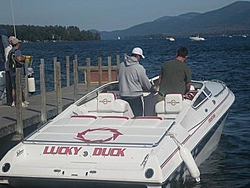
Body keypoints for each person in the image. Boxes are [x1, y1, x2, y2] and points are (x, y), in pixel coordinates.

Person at [117, 47, 156, 117]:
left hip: (123, 95)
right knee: (138, 118)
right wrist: (152, 89)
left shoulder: (121, 65)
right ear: (138, 56)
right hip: (135, 97)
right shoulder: (139, 67)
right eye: (140, 57)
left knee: (126, 117)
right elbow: (145, 83)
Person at [8, 37, 29, 107]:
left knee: (14, 87)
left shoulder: (10, 51)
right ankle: (20, 102)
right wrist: (25, 58)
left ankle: (14, 102)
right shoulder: (17, 51)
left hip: (12, 71)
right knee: (20, 87)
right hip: (19, 71)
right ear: (17, 44)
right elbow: (19, 59)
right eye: (19, 43)